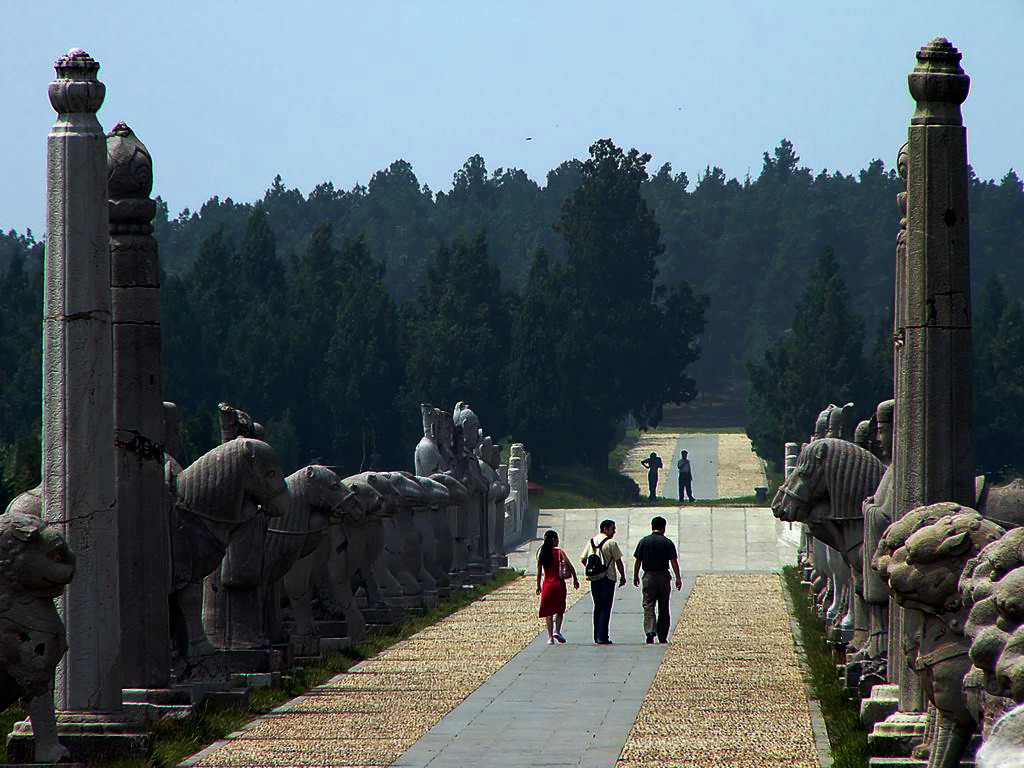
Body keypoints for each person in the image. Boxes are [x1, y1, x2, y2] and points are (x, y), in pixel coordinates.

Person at [633, 516, 682, 643]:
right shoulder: (667, 542)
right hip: (663, 576)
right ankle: (662, 635)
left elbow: (638, 560)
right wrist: (678, 577)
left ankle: (650, 631)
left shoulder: (644, 541)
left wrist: (635, 575)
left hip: (649, 576)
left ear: (652, 526)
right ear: (663, 527)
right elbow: (673, 562)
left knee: (648, 605)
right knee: (664, 606)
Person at [579, 519, 626, 645]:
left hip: (594, 579)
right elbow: (618, 561)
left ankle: (596, 635)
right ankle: (602, 636)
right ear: (605, 529)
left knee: (597, 607)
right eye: (612, 529)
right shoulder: (611, 543)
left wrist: (593, 569)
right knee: (606, 608)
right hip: (608, 578)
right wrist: (623, 576)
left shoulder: (591, 542)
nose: (614, 531)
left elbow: (583, 559)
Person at [536, 529, 578, 644]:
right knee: (559, 609)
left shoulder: (542, 553)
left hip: (547, 585)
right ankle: (557, 631)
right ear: (554, 539)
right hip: (559, 584)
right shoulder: (559, 552)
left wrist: (538, 585)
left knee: (548, 611)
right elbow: (569, 565)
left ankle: (550, 637)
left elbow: (539, 571)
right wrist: (575, 578)